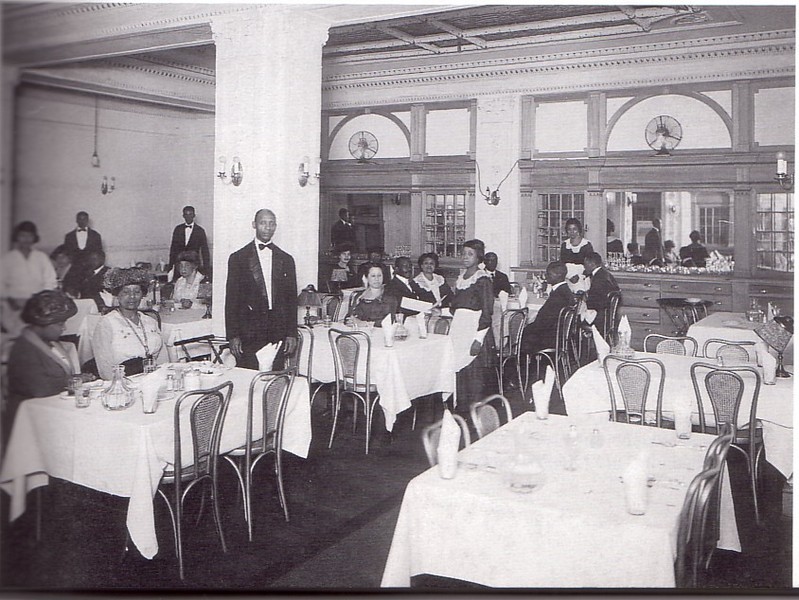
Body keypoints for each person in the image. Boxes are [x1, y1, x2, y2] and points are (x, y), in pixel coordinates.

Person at [5, 291, 92, 439]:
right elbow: (40, 388)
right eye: (59, 324)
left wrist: (76, 377)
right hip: (28, 422)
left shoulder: (51, 343)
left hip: (50, 412)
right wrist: (75, 381)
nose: (64, 328)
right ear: (41, 324)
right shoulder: (23, 348)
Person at [225, 209, 297, 371]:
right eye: (263, 223)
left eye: (272, 223)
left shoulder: (286, 259)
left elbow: (291, 300)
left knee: (274, 379)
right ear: (254, 225)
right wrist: (233, 335)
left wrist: (291, 333)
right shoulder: (238, 259)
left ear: (276, 226)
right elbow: (231, 300)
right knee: (248, 378)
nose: (268, 227)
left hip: (277, 331)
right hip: (248, 332)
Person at [450, 239, 497, 413]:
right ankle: (461, 409)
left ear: (479, 257)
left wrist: (478, 340)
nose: (465, 257)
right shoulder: (461, 279)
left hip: (475, 331)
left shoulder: (482, 279)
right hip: (459, 331)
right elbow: (457, 307)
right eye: (464, 253)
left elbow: (486, 312)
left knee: (474, 373)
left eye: (470, 254)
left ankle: (476, 413)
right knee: (459, 371)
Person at [91, 267, 163, 379]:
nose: (132, 297)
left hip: (152, 379)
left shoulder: (150, 322)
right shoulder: (107, 323)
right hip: (122, 383)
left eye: (137, 292)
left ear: (143, 295)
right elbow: (105, 369)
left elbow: (161, 358)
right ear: (117, 295)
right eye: (126, 292)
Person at [1, 221, 57, 338]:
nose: (26, 239)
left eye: (29, 236)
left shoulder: (41, 257)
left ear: (34, 238)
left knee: (35, 337)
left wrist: (40, 300)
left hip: (37, 305)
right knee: (16, 336)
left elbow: (50, 280)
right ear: (17, 237)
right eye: (22, 236)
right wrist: (11, 301)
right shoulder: (8, 258)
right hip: (14, 306)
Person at [520, 261, 576, 360]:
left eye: (549, 274)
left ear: (558, 275)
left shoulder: (558, 296)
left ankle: (522, 368)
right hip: (559, 335)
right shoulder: (564, 290)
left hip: (550, 338)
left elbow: (544, 322)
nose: (546, 276)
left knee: (520, 334)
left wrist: (524, 328)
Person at [168, 205, 211, 281]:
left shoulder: (200, 231)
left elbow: (205, 251)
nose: (188, 217)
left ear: (194, 215)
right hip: (179, 267)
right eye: (186, 215)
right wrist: (170, 267)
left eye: (190, 214)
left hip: (193, 266)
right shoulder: (178, 229)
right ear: (183, 216)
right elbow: (173, 249)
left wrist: (206, 270)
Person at [583, 252, 620, 336]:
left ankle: (581, 347)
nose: (584, 267)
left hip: (600, 317)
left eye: (585, 264)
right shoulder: (605, 274)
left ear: (592, 264)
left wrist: (586, 299)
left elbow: (593, 303)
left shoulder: (598, 279)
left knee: (574, 321)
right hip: (607, 315)